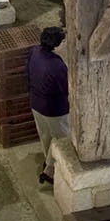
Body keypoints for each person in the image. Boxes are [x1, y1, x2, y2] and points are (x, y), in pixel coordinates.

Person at [27, 26, 70, 185]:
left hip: (36, 103)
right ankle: (51, 169)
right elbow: (66, 88)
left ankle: (48, 163)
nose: (66, 44)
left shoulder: (35, 52)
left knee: (45, 135)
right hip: (55, 109)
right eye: (64, 41)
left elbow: (28, 73)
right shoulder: (57, 66)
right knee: (62, 139)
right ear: (56, 46)